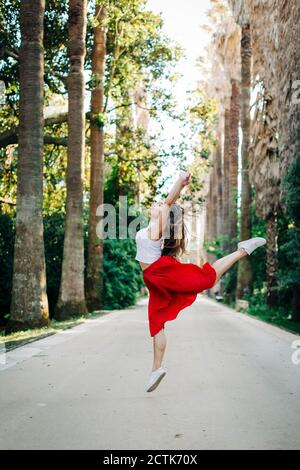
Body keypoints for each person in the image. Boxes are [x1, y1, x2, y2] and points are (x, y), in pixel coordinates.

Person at [135, 171, 266, 393]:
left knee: (207, 278)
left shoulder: (156, 229)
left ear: (162, 215)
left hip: (161, 273)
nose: (157, 203)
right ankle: (156, 369)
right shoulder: (149, 227)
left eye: (159, 204)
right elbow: (167, 202)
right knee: (156, 323)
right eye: (157, 203)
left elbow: (169, 202)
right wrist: (178, 187)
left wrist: (179, 183)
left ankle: (243, 251)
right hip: (153, 279)